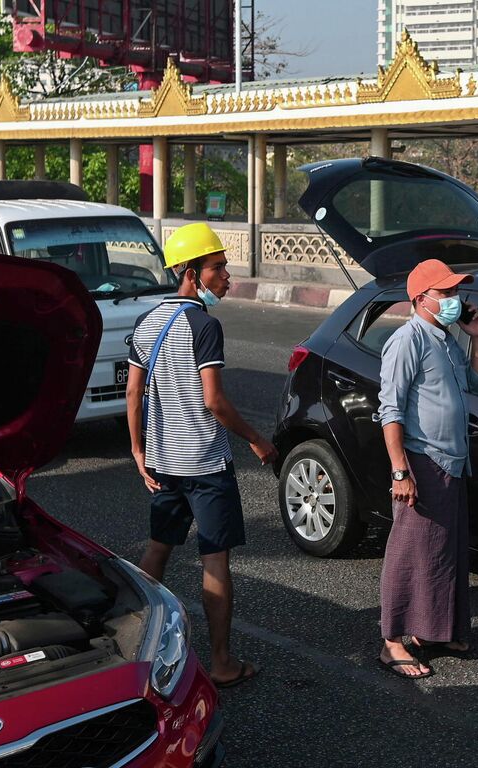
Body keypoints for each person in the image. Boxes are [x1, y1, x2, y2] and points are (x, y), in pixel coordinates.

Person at [126, 221, 276, 689]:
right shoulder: (205, 326)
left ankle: (134, 645)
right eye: (217, 268)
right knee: (215, 560)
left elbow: (133, 392)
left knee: (157, 550)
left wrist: (137, 450)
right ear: (191, 273)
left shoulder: (147, 321)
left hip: (165, 461)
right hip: (207, 464)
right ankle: (222, 662)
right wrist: (256, 438)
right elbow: (214, 402)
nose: (226, 276)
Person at [375, 258, 478, 680]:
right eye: (446, 293)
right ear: (422, 299)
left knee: (443, 552)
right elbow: (390, 409)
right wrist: (400, 471)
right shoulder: (408, 340)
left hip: (453, 462)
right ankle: (392, 642)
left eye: (456, 292)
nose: (455, 299)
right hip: (422, 461)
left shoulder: (444, 338)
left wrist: (477, 338)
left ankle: (434, 631)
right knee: (409, 552)